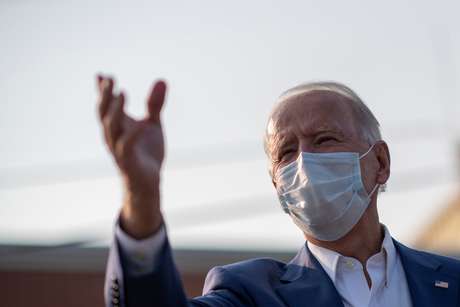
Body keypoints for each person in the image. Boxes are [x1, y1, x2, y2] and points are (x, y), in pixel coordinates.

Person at [96, 75, 460, 307]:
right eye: (286, 151)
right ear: (278, 186)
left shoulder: (452, 281)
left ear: (380, 162)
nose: (304, 162)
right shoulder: (250, 293)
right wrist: (141, 196)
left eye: (325, 139)